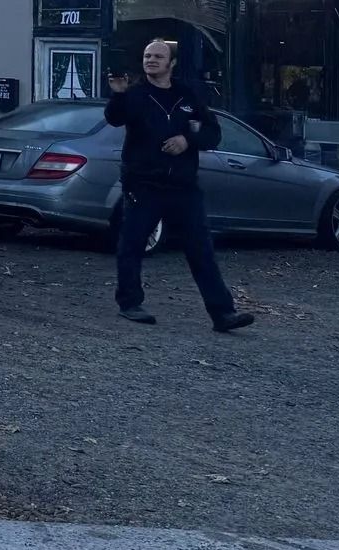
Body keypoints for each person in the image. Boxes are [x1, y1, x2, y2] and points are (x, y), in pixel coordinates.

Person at [105, 39, 254, 333]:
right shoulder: (135, 95)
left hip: (183, 186)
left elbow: (213, 134)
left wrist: (188, 140)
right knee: (132, 245)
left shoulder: (188, 95)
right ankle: (130, 304)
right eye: (147, 56)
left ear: (172, 63)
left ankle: (223, 314)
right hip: (143, 184)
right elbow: (114, 119)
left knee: (201, 250)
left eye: (158, 56)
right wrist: (118, 95)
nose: (151, 60)